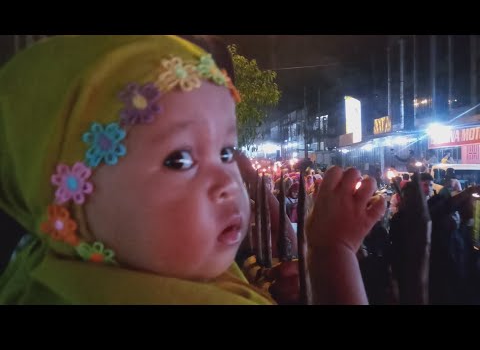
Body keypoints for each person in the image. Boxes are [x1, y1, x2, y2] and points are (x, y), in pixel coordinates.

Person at [0, 35, 385, 305]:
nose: (227, 183)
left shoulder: (38, 272)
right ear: (65, 193)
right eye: (179, 160)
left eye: (226, 151)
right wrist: (333, 253)